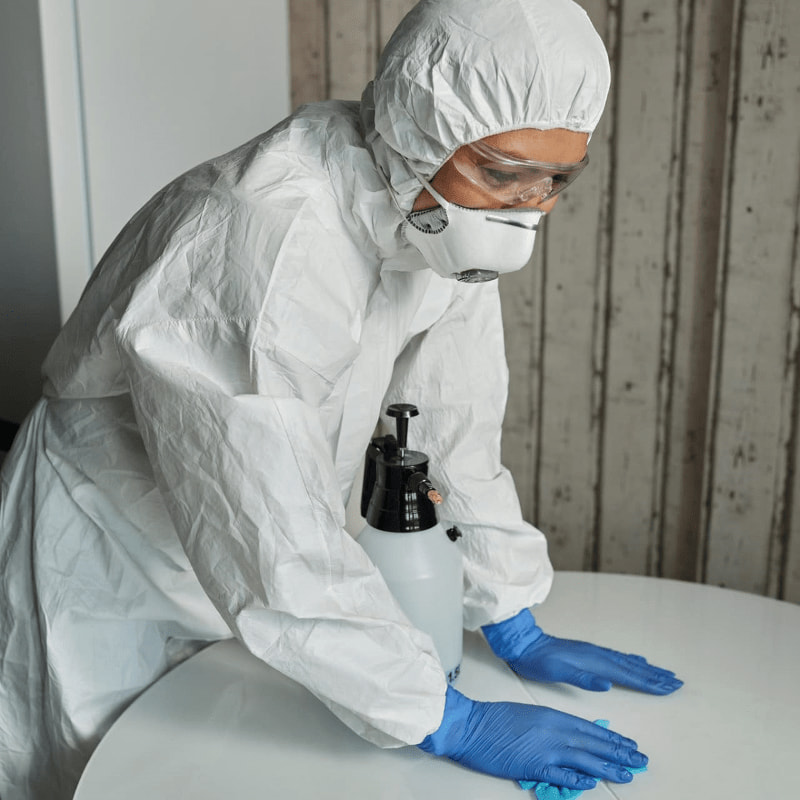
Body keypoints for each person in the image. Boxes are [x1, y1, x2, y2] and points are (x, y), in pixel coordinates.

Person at [0, 0, 682, 797]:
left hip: (247, 558)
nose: (524, 207)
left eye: (555, 179)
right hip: (115, 560)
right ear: (425, 127)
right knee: (104, 772)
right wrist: (445, 717)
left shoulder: (435, 216)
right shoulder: (268, 235)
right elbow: (269, 524)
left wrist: (510, 611)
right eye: (500, 172)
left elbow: (455, 427)